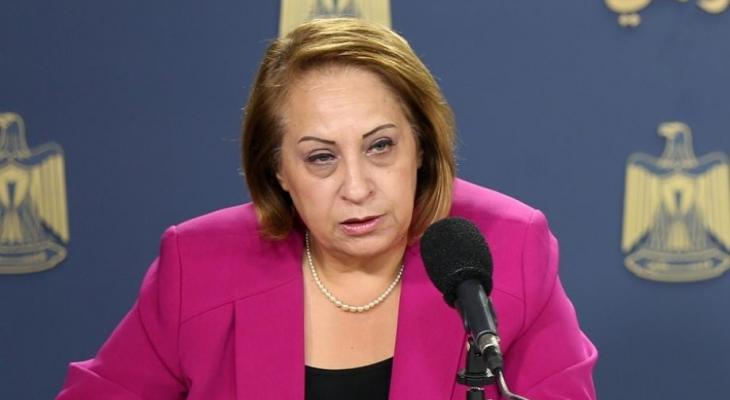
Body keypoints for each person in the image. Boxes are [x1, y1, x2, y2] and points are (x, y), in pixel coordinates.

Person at [57, 18, 597, 400]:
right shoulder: (198, 265)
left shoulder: (509, 246)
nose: (356, 188)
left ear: (422, 147)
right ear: (277, 170)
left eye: (380, 146)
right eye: (321, 157)